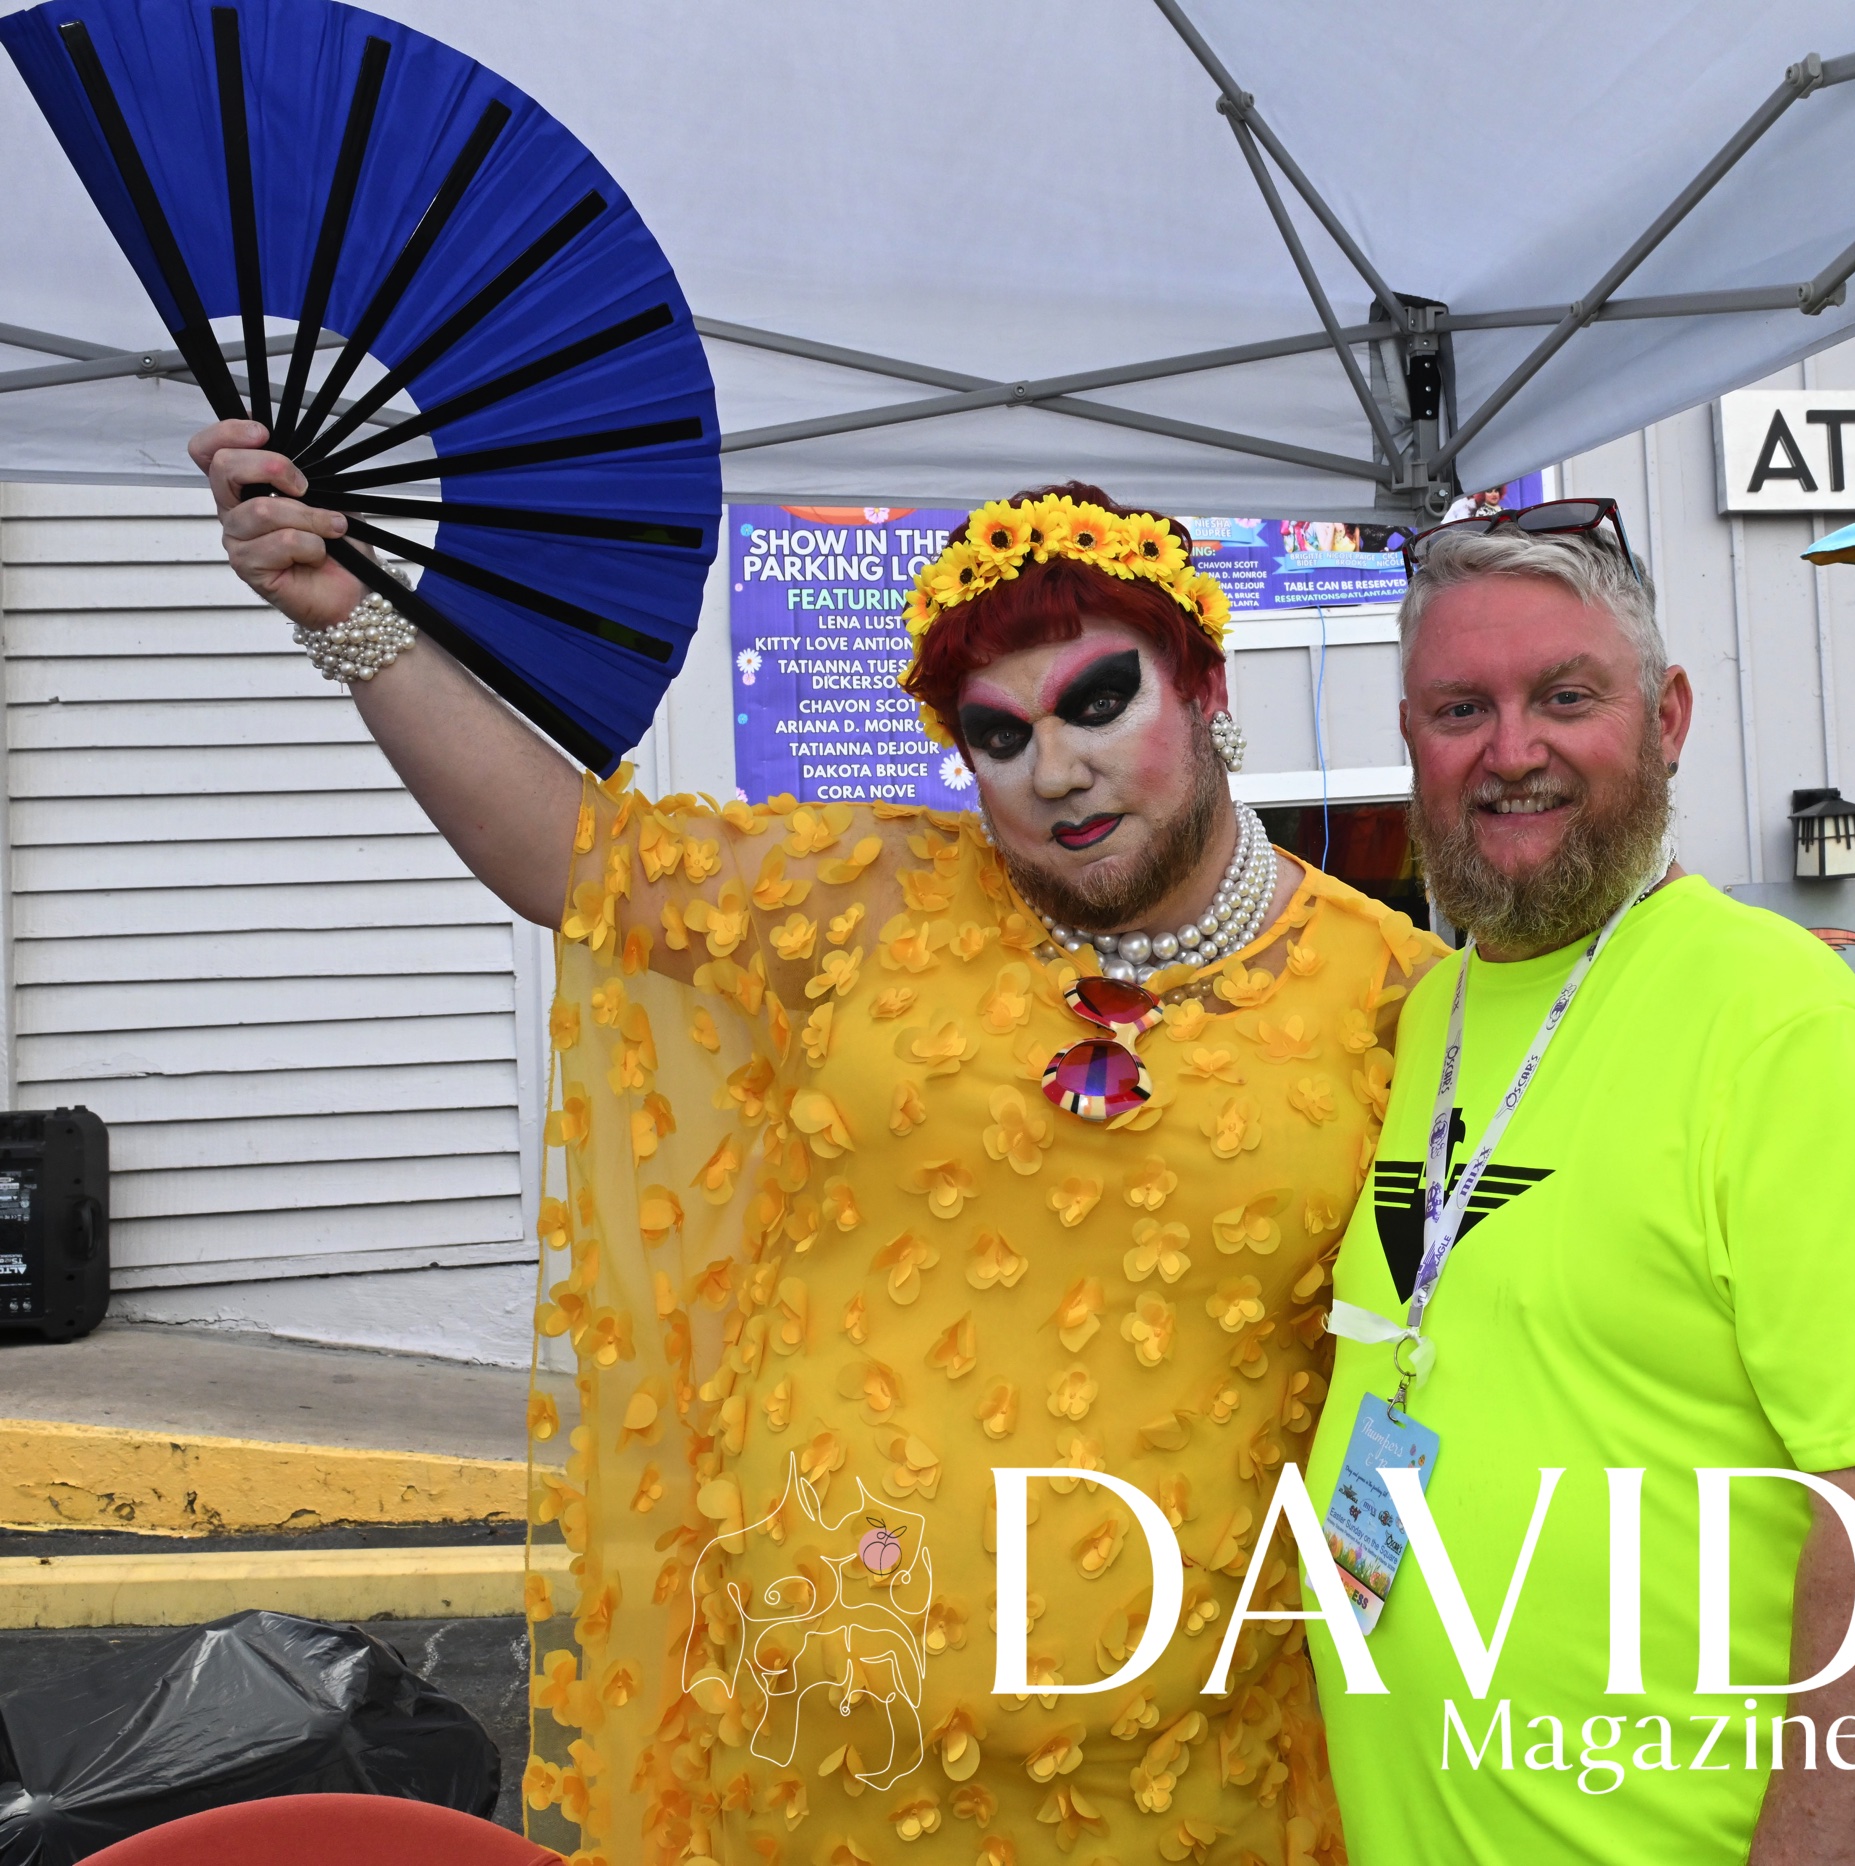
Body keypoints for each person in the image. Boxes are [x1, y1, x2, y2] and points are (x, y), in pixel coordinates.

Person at [190, 421, 1443, 1864]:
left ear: (1207, 689)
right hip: (818, 1765)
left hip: (1186, 1788)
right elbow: (579, 862)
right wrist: (350, 619)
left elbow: (1442, 1370)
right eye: (999, 734)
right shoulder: (872, 897)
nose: (1056, 769)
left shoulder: (1397, 998)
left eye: (1099, 702)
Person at [1300, 509, 1855, 1864]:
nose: (1511, 750)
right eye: (1461, 708)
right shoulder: (1430, 1012)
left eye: (1566, 698)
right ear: (1411, 738)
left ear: (1666, 717)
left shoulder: (1781, 1025)